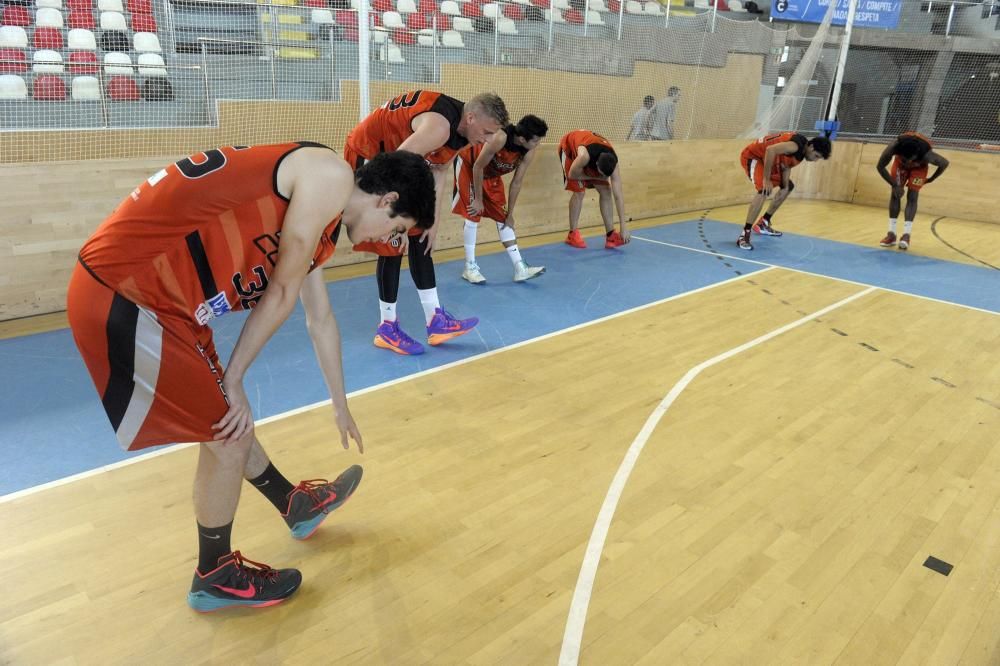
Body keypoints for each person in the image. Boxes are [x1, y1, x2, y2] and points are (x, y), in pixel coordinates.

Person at [67, 144, 436, 612]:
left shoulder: (319, 217)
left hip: (165, 306)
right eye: (399, 230)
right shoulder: (329, 175)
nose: (393, 242)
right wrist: (235, 377)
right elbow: (281, 289)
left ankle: (293, 505)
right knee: (229, 433)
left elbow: (319, 319)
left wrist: (340, 403)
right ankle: (215, 574)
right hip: (125, 291)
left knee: (228, 422)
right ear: (388, 200)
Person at [345, 89, 509, 356]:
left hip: (398, 156)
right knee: (392, 241)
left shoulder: (464, 132)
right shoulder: (440, 127)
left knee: (421, 234)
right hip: (370, 152)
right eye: (488, 132)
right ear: (471, 117)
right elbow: (394, 166)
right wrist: (385, 218)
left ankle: (436, 320)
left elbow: (439, 169)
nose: (489, 140)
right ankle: (387, 328)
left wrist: (432, 220)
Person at [453, 114, 549, 284]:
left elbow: (517, 183)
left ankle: (520, 268)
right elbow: (478, 166)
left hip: (491, 175)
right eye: (535, 140)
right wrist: (478, 200)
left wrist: (510, 213)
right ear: (521, 138)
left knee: (504, 218)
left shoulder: (529, 150)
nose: (538, 144)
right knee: (474, 212)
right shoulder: (500, 138)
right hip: (470, 167)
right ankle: (470, 267)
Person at [737, 132, 832, 250]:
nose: (815, 160)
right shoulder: (795, 146)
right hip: (753, 156)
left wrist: (785, 185)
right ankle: (744, 235)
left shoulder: (801, 152)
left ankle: (763, 222)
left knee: (788, 186)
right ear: (811, 147)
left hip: (766, 160)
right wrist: (766, 179)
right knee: (764, 189)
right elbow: (770, 150)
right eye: (816, 156)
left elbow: (786, 166)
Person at [876, 131, 949, 251]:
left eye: (910, 160)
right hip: (899, 166)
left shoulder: (927, 154)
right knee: (896, 194)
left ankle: (906, 235)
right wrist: (894, 185)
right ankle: (891, 234)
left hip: (919, 168)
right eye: (905, 159)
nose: (908, 162)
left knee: (913, 196)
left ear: (916, 155)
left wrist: (932, 179)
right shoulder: (894, 147)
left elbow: (944, 163)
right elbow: (880, 166)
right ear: (899, 153)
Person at [559, 129, 630, 250]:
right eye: (602, 174)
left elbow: (618, 195)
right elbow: (572, 175)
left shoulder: (614, 163)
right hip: (570, 150)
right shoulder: (584, 156)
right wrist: (590, 178)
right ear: (597, 165)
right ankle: (572, 234)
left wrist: (624, 226)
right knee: (579, 192)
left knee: (606, 191)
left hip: (591, 149)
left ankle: (610, 235)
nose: (604, 178)